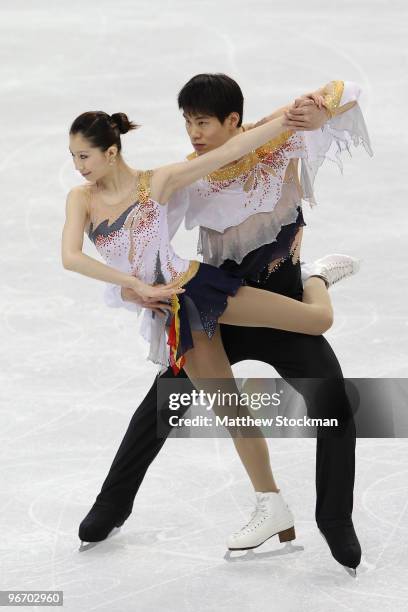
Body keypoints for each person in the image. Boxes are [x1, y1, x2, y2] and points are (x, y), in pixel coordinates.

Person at [68, 75, 372, 574]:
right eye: (187, 121)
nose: (194, 132)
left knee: (334, 402)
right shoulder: (192, 176)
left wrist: (323, 112)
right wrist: (132, 285)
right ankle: (113, 503)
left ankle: (335, 518)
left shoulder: (281, 138)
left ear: (234, 121)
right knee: (164, 401)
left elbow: (348, 89)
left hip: (282, 304)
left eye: (203, 122)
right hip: (218, 310)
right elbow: (142, 237)